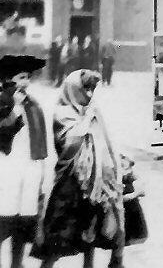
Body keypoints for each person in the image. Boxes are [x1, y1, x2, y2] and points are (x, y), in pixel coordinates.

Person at [32, 70, 125, 268]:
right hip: (69, 180)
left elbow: (106, 142)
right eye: (86, 89)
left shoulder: (92, 110)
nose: (90, 94)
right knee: (59, 234)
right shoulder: (62, 112)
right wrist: (86, 122)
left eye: (93, 89)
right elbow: (67, 146)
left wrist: (115, 166)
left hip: (93, 181)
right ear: (73, 90)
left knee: (90, 232)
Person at [0, 55, 49, 268]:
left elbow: (38, 140)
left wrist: (40, 168)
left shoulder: (32, 103)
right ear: (8, 79)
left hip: (28, 169)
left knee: (22, 223)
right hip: (7, 168)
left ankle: (16, 265)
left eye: (28, 77)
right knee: (4, 220)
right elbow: (2, 134)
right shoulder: (3, 101)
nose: (26, 82)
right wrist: (15, 109)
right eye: (21, 77)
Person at [119, 155, 147, 246]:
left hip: (131, 205)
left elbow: (142, 189)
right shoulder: (118, 177)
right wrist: (134, 194)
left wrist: (136, 192)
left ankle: (130, 236)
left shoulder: (130, 176)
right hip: (123, 205)